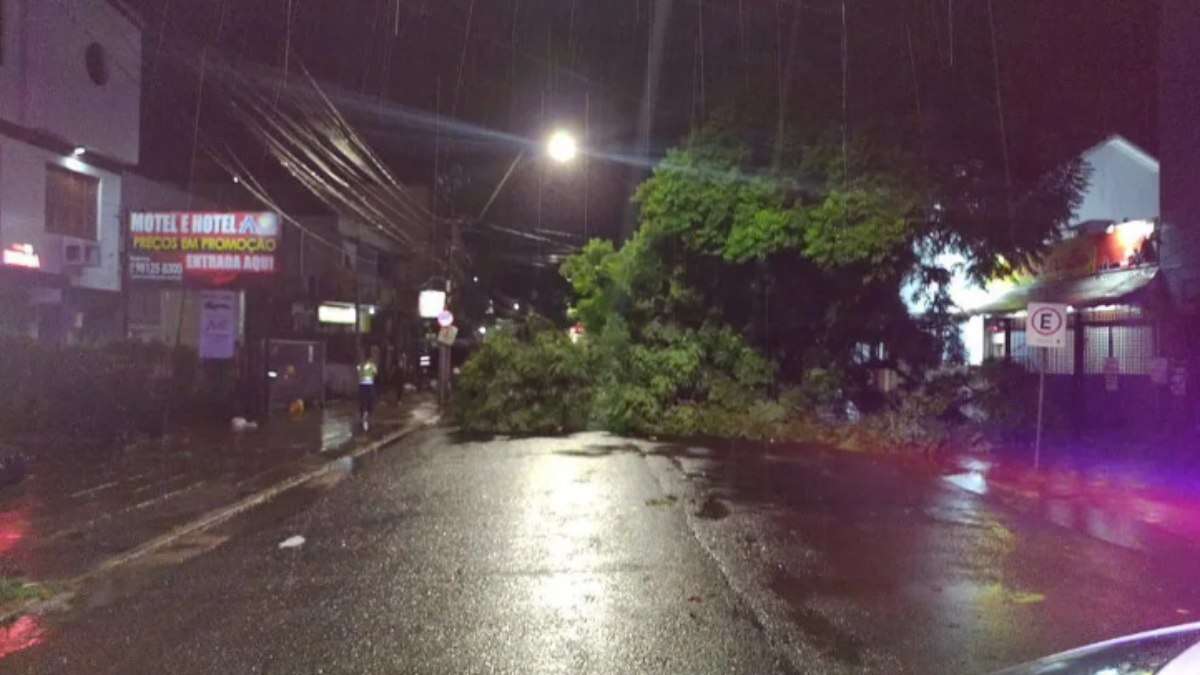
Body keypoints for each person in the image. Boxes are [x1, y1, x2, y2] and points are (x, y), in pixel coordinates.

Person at [357, 347, 379, 431]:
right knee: (370, 400)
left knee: (363, 400)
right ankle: (368, 415)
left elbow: (359, 373)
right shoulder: (371, 365)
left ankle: (363, 414)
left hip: (362, 385)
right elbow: (375, 373)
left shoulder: (360, 364)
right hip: (369, 385)